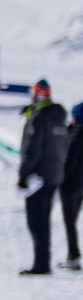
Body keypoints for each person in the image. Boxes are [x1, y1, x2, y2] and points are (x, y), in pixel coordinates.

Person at [18, 79, 66, 276]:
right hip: (54, 174)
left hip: (38, 176)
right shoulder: (58, 116)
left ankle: (41, 264)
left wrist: (23, 174)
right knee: (43, 220)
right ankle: (43, 261)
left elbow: (32, 149)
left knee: (36, 222)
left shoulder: (39, 118)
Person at [62, 103, 83, 271]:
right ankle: (72, 255)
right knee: (72, 221)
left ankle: (73, 256)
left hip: (71, 183)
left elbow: (69, 160)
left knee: (70, 221)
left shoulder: (76, 135)